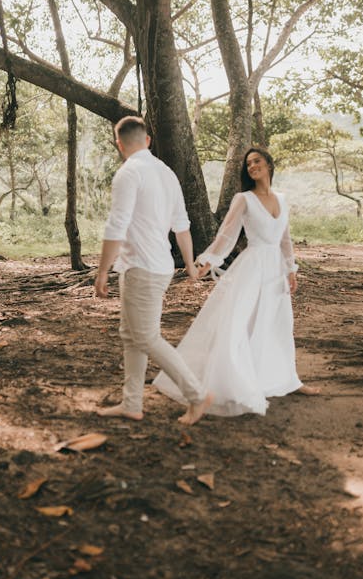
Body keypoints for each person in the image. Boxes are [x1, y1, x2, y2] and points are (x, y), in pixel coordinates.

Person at [153, 146, 320, 417]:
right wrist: (207, 261)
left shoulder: (282, 198)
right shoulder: (244, 199)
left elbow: (285, 238)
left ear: (268, 164)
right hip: (252, 267)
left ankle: (287, 380)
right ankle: (234, 383)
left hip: (275, 271)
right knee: (240, 323)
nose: (252, 166)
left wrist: (291, 269)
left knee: (277, 324)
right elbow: (226, 235)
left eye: (257, 161)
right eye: (248, 164)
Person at [94, 116, 213, 425]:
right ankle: (131, 403)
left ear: (119, 144)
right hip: (156, 266)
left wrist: (102, 271)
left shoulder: (128, 173)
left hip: (142, 268)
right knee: (131, 335)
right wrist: (188, 264)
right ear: (147, 140)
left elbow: (116, 225)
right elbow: (182, 226)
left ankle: (197, 394)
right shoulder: (167, 173)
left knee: (145, 336)